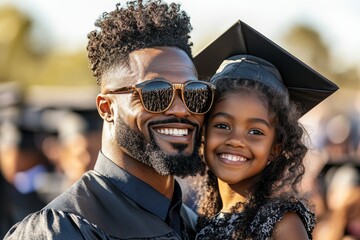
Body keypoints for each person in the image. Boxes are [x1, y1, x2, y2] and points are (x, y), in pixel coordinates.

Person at [4, 0, 216, 239]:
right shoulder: (62, 228)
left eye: (194, 93)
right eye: (156, 94)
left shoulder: (197, 227)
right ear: (106, 108)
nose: (181, 109)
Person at [192, 20, 339, 239]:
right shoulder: (202, 218)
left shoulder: (281, 223)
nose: (236, 140)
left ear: (275, 147)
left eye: (255, 132)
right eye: (222, 126)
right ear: (203, 134)